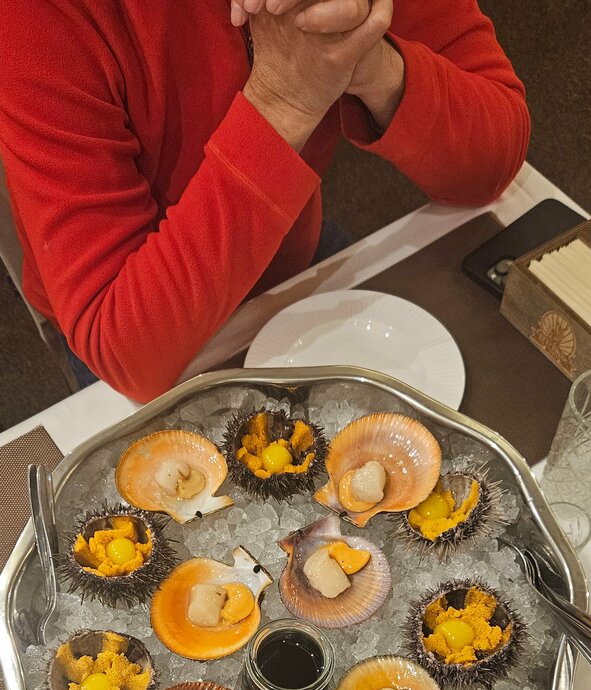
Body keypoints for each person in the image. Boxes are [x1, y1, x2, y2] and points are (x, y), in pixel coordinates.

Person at [0, 0, 529, 403]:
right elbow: (125, 348)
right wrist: (287, 100)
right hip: (130, 320)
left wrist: (368, 59)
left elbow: (493, 160)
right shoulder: (37, 17)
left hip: (286, 246)